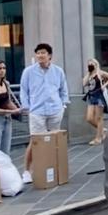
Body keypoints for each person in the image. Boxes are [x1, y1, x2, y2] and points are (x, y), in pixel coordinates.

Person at [19, 43, 69, 183]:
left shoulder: (58, 71)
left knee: (54, 141)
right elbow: (24, 91)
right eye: (38, 53)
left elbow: (63, 89)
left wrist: (63, 104)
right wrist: (27, 107)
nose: (40, 55)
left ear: (50, 56)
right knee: (35, 141)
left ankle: (51, 168)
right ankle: (27, 171)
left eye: (43, 53)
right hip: (37, 111)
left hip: (55, 109)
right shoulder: (28, 72)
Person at [83, 58, 108, 145]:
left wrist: (104, 85)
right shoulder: (89, 74)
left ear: (96, 64)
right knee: (89, 118)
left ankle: (98, 138)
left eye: (92, 64)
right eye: (89, 64)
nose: (90, 65)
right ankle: (103, 131)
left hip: (99, 96)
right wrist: (88, 72)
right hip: (91, 96)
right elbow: (84, 84)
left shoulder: (100, 73)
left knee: (99, 118)